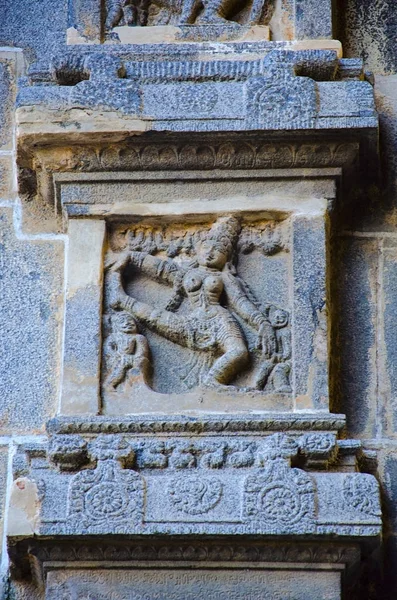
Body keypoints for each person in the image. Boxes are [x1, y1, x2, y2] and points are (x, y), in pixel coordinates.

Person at [107, 216, 276, 387]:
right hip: (191, 322)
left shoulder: (225, 278)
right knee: (154, 316)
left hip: (220, 321)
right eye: (206, 247)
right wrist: (131, 256)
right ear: (198, 249)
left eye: (218, 250)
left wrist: (262, 323)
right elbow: (161, 269)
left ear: (227, 257)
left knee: (239, 352)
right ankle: (122, 300)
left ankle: (212, 382)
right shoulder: (186, 274)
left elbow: (240, 303)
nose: (210, 253)